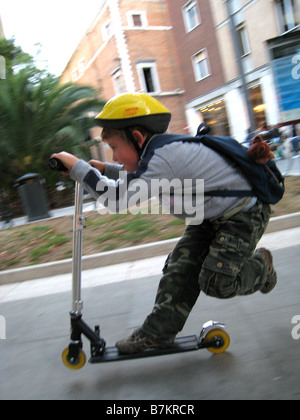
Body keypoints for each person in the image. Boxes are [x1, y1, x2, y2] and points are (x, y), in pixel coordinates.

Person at [51, 93, 277, 354]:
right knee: (179, 267)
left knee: (217, 281)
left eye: (114, 147)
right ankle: (156, 334)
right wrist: (104, 170)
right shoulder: (159, 153)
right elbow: (140, 176)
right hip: (210, 218)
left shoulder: (165, 157)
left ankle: (262, 266)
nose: (114, 156)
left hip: (243, 216)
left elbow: (117, 198)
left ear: (137, 138)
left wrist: (80, 168)